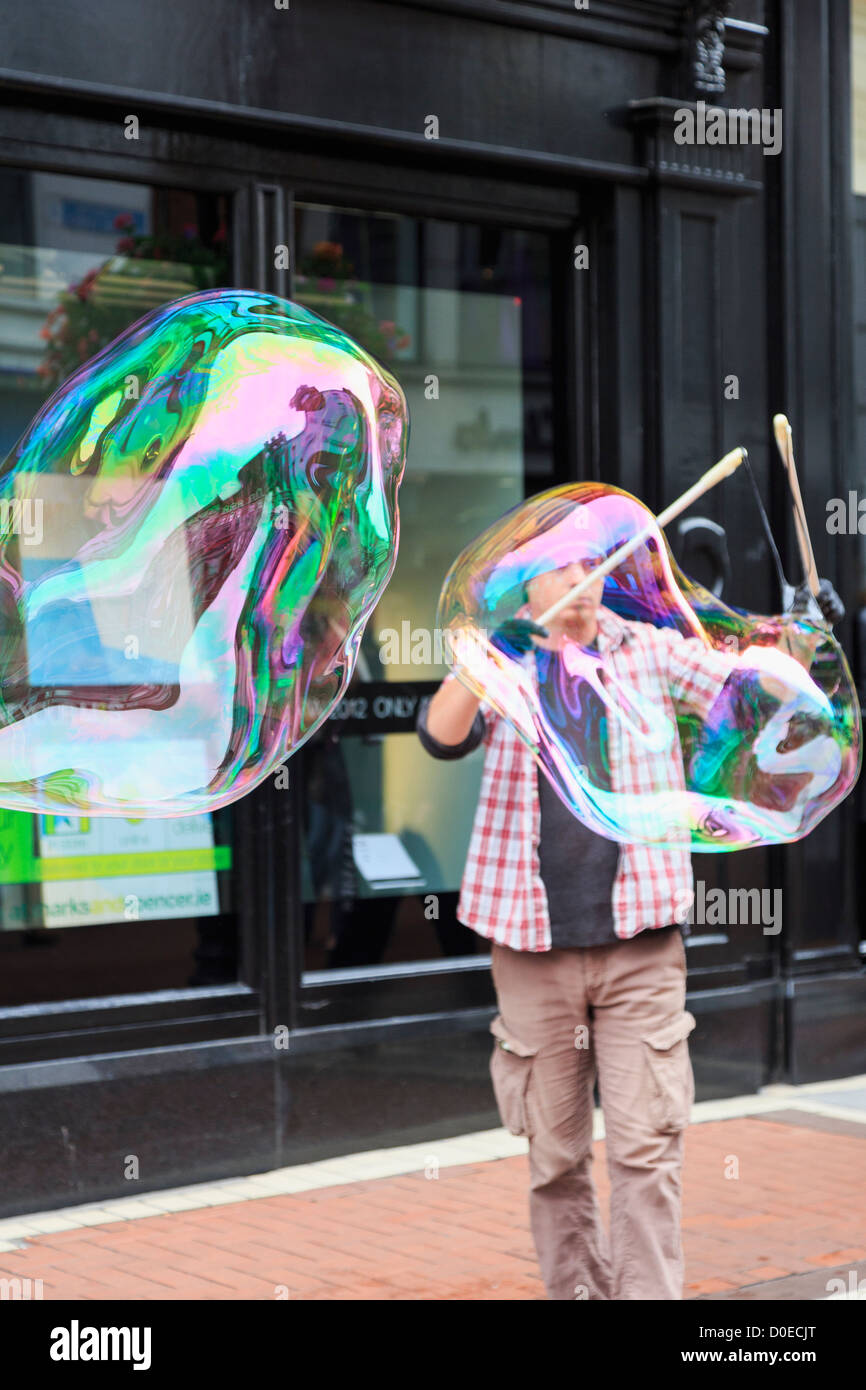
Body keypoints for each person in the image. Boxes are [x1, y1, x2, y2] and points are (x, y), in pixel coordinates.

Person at [416, 553, 841, 1300]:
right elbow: (439, 734)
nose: (579, 585)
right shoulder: (505, 660)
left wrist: (800, 642)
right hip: (532, 946)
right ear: (533, 585)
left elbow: (746, 686)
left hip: (639, 948)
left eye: (591, 567)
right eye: (560, 572)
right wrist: (488, 661)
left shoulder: (647, 650)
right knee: (554, 1158)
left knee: (646, 1152)